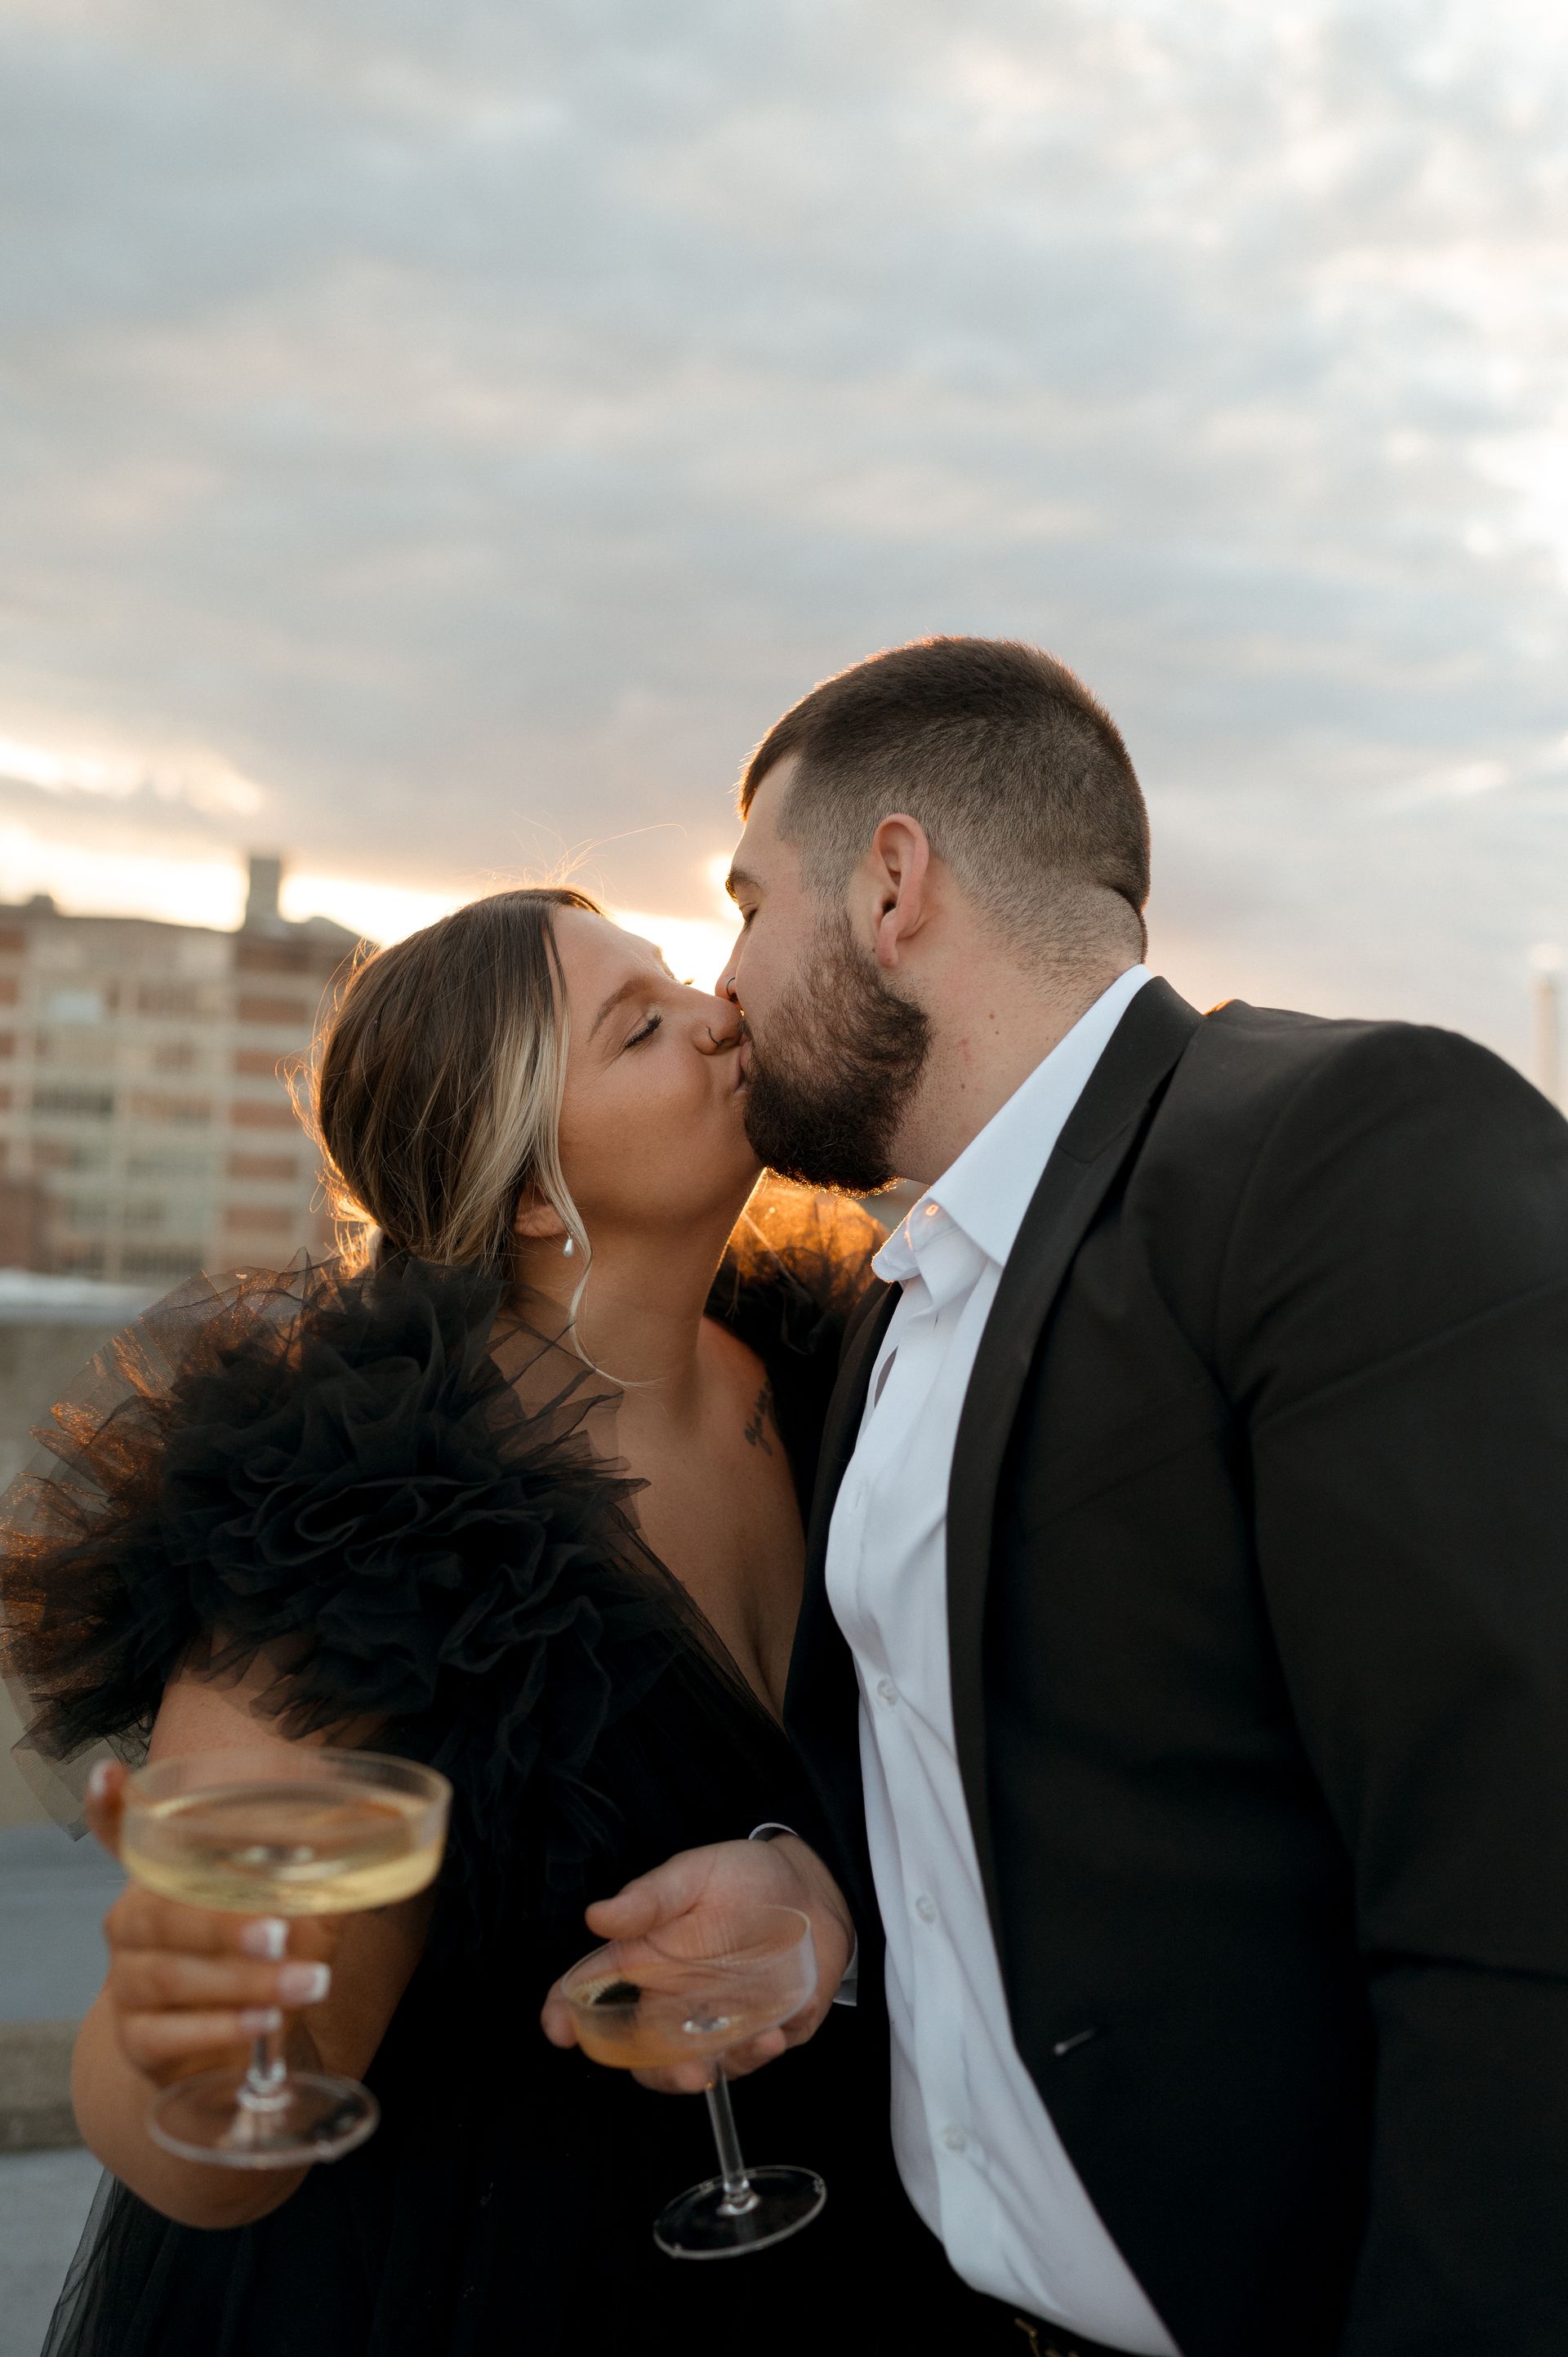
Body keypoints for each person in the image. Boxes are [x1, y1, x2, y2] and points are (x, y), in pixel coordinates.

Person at [546, 636, 1568, 2357]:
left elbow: (1521, 1882)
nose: (727, 986)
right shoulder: (900, 1302)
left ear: (890, 886)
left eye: (744, 903)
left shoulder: (1332, 1143)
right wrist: (826, 1915)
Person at [0, 886, 948, 2357]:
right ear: (524, 1190)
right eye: (642, 1028)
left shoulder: (829, 1378)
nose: (722, 1016)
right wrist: (175, 2031)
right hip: (485, 2284)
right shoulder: (369, 1509)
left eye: (683, 980)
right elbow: (218, 2111)